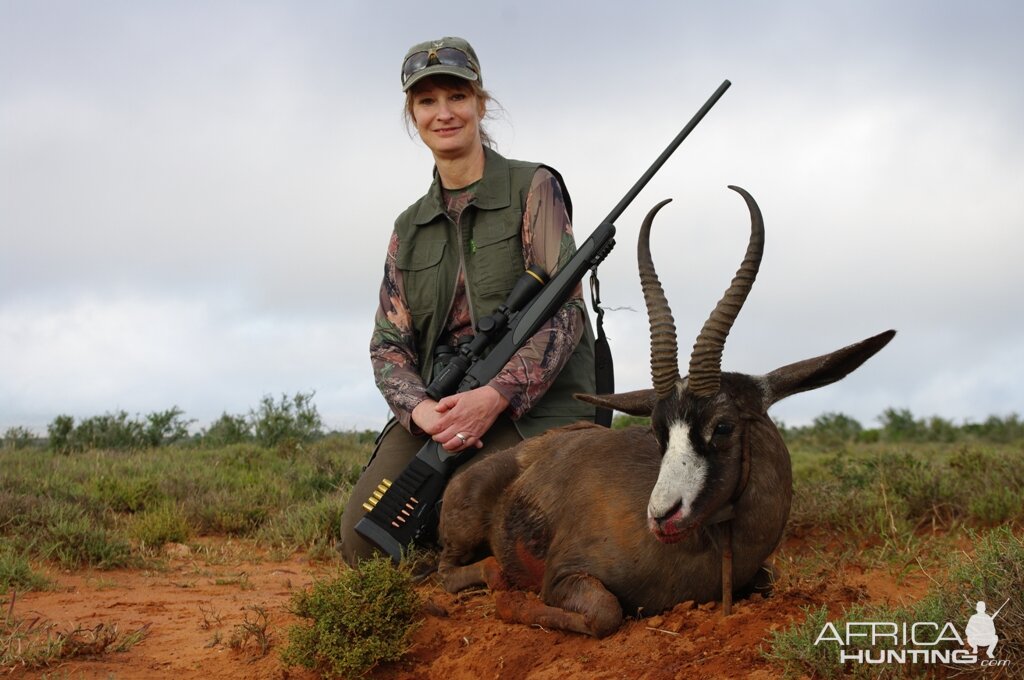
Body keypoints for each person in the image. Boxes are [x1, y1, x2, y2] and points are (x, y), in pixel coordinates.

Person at [339, 36, 597, 565]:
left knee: (499, 513)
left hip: (534, 404)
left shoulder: (534, 188)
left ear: (481, 103)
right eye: (427, 101)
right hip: (446, 401)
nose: (444, 113)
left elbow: (565, 313)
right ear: (413, 116)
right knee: (362, 541)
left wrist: (497, 395)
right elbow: (388, 347)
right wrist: (425, 412)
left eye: (456, 96)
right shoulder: (408, 227)